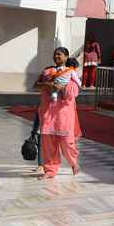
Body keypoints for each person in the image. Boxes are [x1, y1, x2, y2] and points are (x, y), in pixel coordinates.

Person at [36, 48, 82, 179]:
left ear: (66, 57)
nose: (56, 56)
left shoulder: (70, 72)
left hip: (64, 114)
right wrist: (48, 85)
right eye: (54, 54)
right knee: (48, 144)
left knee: (68, 143)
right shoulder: (47, 70)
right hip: (48, 112)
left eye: (59, 54)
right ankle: (50, 170)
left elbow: (75, 91)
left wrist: (62, 87)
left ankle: (74, 163)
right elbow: (36, 85)